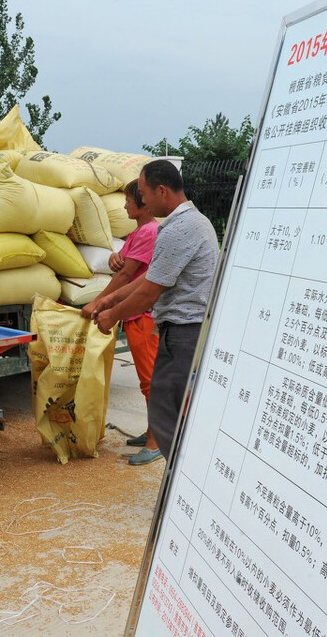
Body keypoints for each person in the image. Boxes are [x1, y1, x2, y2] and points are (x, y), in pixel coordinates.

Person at [88, 160, 218, 465]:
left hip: (184, 329)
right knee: (165, 400)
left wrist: (111, 315)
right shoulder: (189, 223)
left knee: (166, 405)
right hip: (183, 327)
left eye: (143, 193)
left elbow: (148, 292)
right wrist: (109, 301)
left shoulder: (179, 229)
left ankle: (179, 477)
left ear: (161, 190)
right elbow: (149, 278)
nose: (141, 200)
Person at [81, 180, 160, 462]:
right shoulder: (138, 232)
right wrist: (116, 256)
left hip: (144, 316)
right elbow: (123, 266)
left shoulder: (150, 232)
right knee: (146, 380)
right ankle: (153, 430)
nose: (124, 205)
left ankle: (155, 442)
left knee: (151, 382)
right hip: (135, 315)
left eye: (128, 201)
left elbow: (126, 277)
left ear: (143, 203)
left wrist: (98, 302)